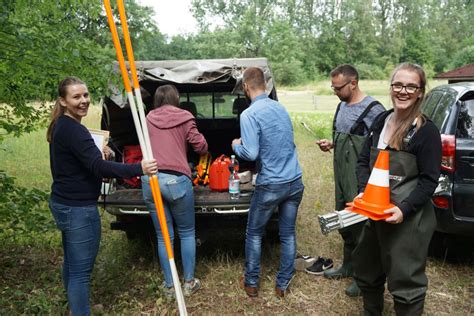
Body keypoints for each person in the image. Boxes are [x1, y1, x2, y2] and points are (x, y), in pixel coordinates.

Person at [47, 77, 158, 316]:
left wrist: (99, 153)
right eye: (76, 97)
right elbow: (100, 168)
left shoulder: (62, 125)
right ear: (63, 101)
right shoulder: (74, 130)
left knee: (71, 263)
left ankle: (74, 308)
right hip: (78, 210)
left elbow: (83, 160)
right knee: (80, 273)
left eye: (85, 95)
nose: (83, 101)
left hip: (63, 202)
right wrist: (139, 168)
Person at [352, 62, 441, 315]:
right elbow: (362, 161)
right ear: (391, 87)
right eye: (398, 85)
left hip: (407, 218)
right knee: (367, 269)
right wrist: (363, 190)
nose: (403, 91)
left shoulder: (426, 132)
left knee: (406, 280)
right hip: (374, 213)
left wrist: (404, 209)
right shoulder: (382, 120)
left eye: (411, 86)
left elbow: (429, 181)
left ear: (421, 92)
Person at [311, 64, 385, 297]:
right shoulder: (341, 106)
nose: (335, 92)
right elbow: (345, 137)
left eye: (338, 87)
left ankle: (364, 279)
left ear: (353, 83)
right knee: (344, 219)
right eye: (332, 87)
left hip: (361, 178)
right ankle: (348, 266)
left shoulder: (374, 109)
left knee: (361, 225)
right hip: (341, 175)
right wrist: (330, 143)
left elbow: (381, 146)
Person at [232, 67, 304, 298]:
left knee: (254, 233)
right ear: (266, 85)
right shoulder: (280, 108)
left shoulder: (249, 114)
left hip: (271, 184)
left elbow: (251, 153)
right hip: (294, 181)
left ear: (245, 87)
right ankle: (282, 285)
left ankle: (251, 283)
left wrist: (236, 145)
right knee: (288, 234)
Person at [142, 84, 208, 297]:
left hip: (150, 180)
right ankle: (189, 282)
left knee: (164, 236)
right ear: (176, 98)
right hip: (176, 181)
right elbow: (201, 147)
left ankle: (170, 287)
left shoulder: (148, 118)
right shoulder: (185, 117)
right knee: (187, 232)